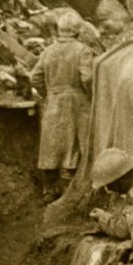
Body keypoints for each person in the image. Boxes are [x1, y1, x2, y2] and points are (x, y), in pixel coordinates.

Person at [29, 11, 94, 202]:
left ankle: (49, 190)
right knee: (72, 143)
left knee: (52, 144)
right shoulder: (83, 50)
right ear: (77, 31)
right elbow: (88, 77)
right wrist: (89, 95)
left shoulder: (48, 51)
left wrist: (47, 94)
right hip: (76, 102)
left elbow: (34, 78)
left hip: (54, 101)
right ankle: (69, 189)